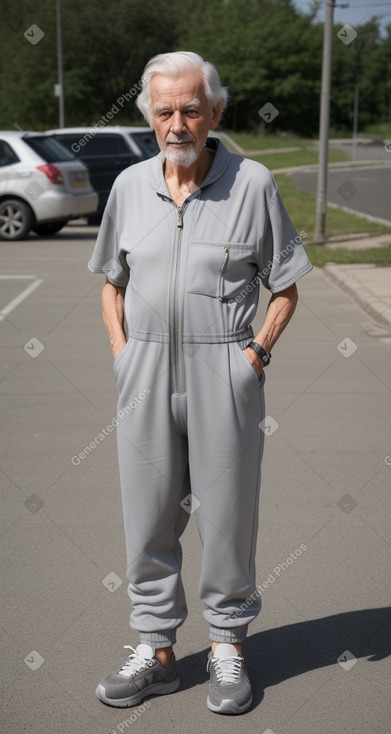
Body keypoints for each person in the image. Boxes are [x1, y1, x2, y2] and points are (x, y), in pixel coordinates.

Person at [88, 51, 312, 715]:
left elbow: (285, 288)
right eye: (165, 112)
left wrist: (255, 357)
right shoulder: (129, 187)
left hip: (225, 370)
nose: (178, 123)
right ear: (150, 118)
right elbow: (111, 283)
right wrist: (123, 354)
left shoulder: (253, 184)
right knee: (148, 517)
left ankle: (225, 648)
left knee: (226, 520)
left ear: (215, 111)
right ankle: (156, 653)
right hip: (146, 370)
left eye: (191, 109)